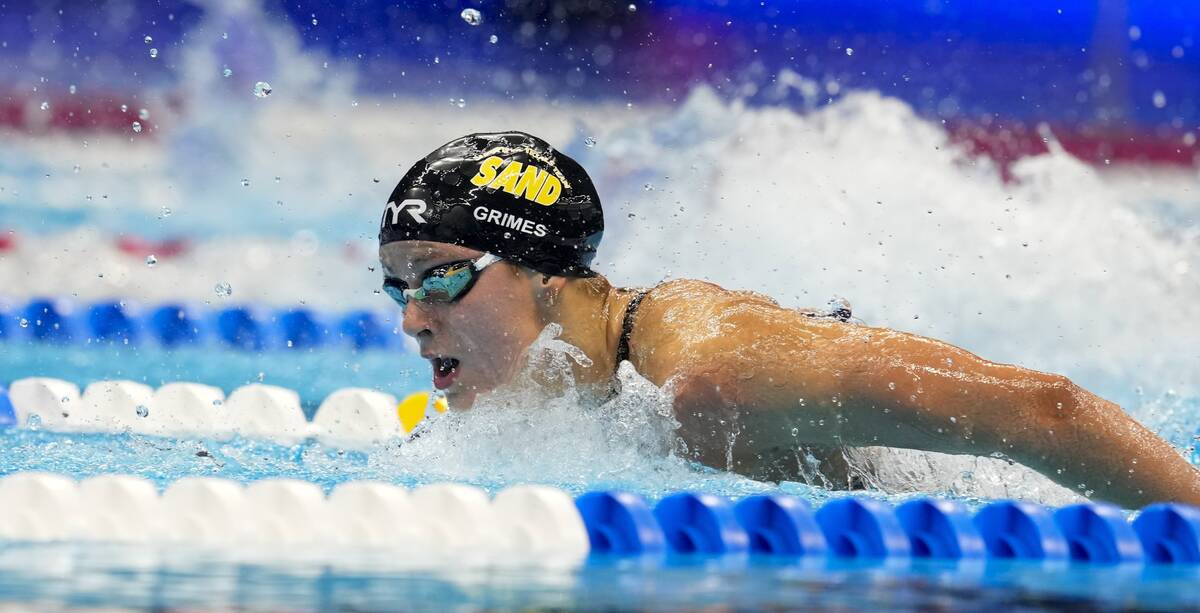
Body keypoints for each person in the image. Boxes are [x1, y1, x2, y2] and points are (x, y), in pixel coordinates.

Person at [378, 131, 1200, 508]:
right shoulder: (583, 390)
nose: (412, 320)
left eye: (442, 278)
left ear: (547, 276)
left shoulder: (711, 373)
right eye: (397, 288)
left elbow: (1041, 407)